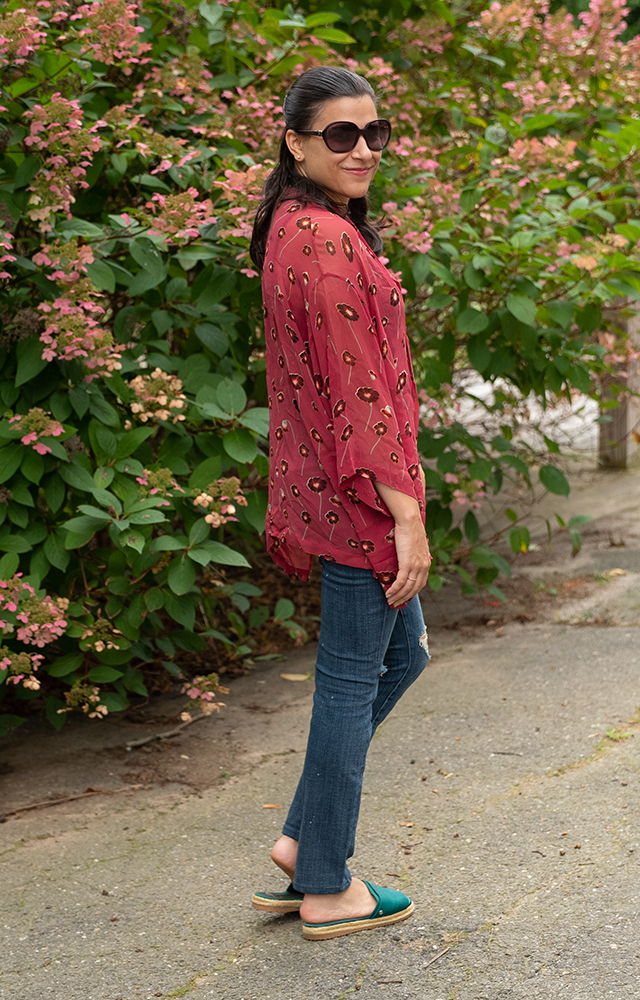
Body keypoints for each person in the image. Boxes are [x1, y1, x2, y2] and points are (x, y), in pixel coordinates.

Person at [248, 65, 432, 941]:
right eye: (340, 135)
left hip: (336, 490)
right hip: (358, 500)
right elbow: (361, 400)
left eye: (374, 133)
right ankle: (326, 884)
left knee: (403, 656)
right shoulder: (322, 241)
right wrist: (406, 517)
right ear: (295, 143)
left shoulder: (299, 225)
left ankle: (302, 842)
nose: (363, 150)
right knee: (353, 679)